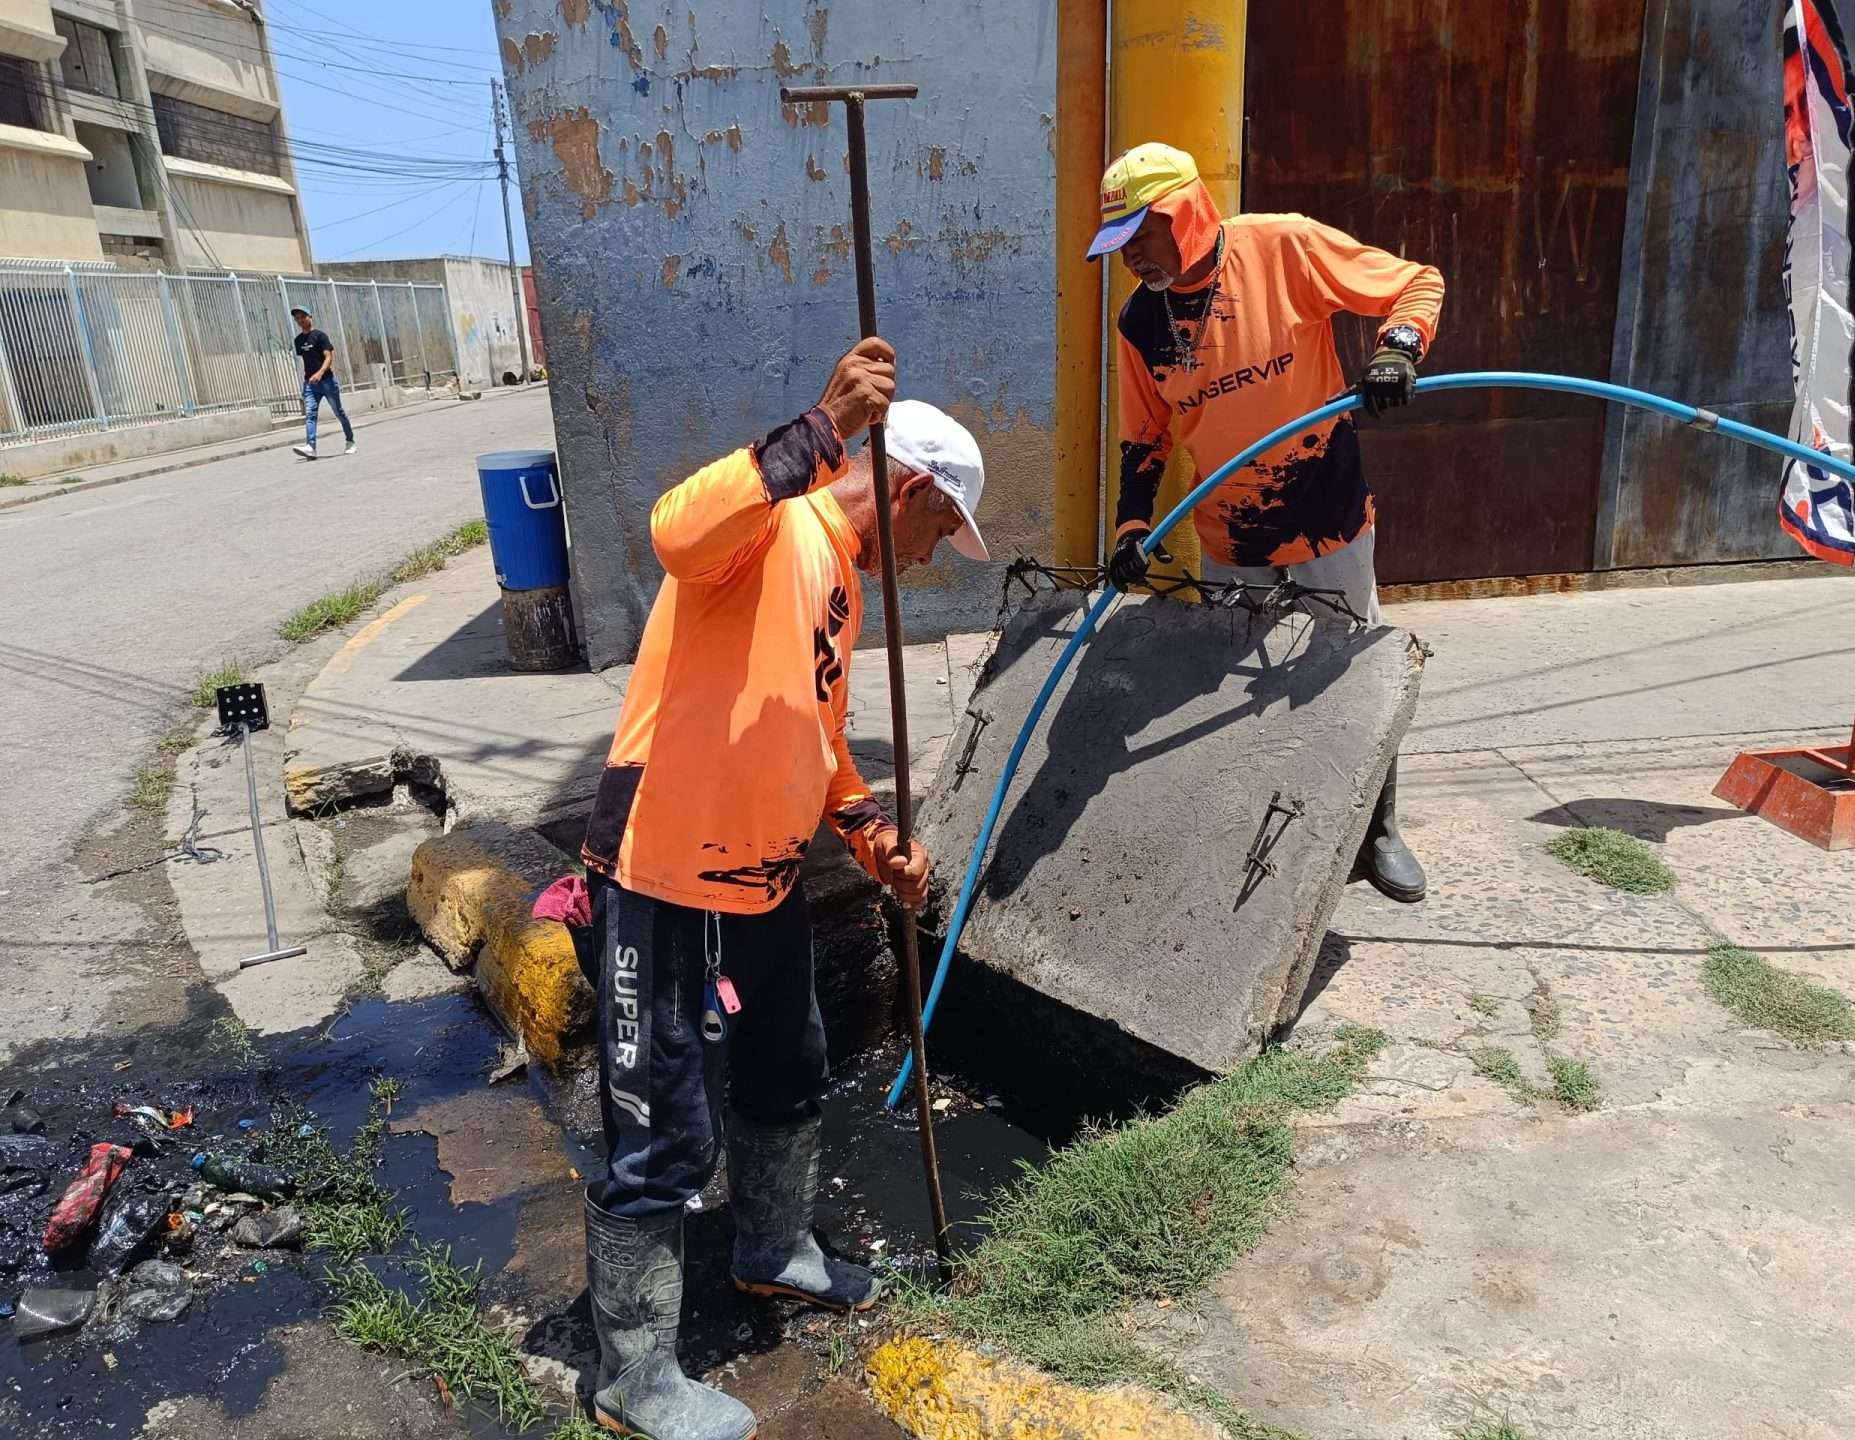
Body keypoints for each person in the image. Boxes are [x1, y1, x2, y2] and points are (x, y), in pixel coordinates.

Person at [573, 336, 990, 1440]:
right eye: (940, 530)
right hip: (665, 874)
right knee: (660, 1118)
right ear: (909, 488)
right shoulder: (779, 523)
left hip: (759, 888)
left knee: (789, 1070)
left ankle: (771, 1250)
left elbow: (814, 737)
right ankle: (633, 1374)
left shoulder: (842, 586)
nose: (936, 557)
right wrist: (821, 422)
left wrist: (866, 827)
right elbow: (674, 530)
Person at [1086, 141, 1445, 903]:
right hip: (1230, 536)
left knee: (1352, 673)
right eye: (1117, 247)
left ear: (1182, 211)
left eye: (1139, 237)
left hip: (1326, 515)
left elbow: (1417, 283)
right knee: (1230, 685)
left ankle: (1377, 830)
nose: (1131, 260)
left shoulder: (1281, 247)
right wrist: (1127, 530)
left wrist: (1398, 350)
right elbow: (1144, 434)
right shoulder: (1139, 322)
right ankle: (1254, 827)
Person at [289, 307, 355, 459]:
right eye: (297, 318)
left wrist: (319, 373)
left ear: (310, 317)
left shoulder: (320, 336)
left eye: (303, 316)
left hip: (327, 382)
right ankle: (311, 447)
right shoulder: (298, 340)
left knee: (338, 412)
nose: (300, 320)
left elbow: (328, 357)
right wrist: (310, 378)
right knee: (310, 414)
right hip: (310, 384)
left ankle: (350, 441)